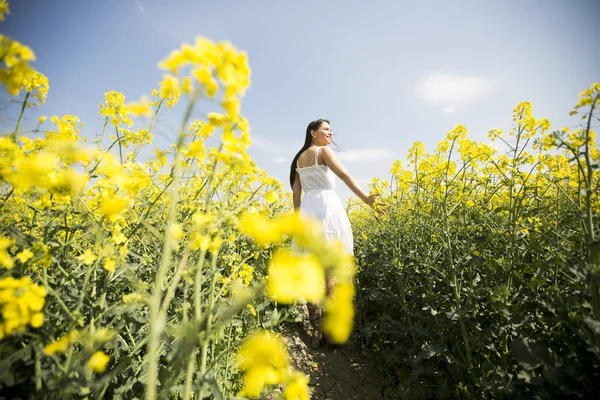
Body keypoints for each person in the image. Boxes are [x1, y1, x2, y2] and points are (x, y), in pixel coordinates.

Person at [290, 118, 383, 349]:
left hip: (308, 212)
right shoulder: (324, 151)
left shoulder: (298, 160)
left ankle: (315, 332)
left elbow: (296, 196)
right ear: (313, 133)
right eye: (326, 129)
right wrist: (367, 200)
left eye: (331, 130)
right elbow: (344, 176)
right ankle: (331, 333)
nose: (330, 133)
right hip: (328, 210)